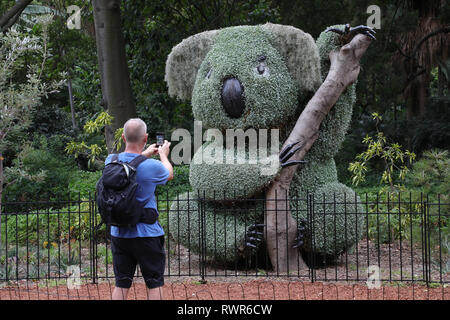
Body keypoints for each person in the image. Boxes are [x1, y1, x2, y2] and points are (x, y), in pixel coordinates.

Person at [105, 118, 173, 300]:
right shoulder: (152, 167)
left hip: (119, 234)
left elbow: (130, 165)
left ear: (123, 137)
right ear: (145, 138)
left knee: (121, 284)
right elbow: (169, 174)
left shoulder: (110, 161)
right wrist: (163, 154)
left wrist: (144, 154)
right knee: (154, 283)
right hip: (147, 235)